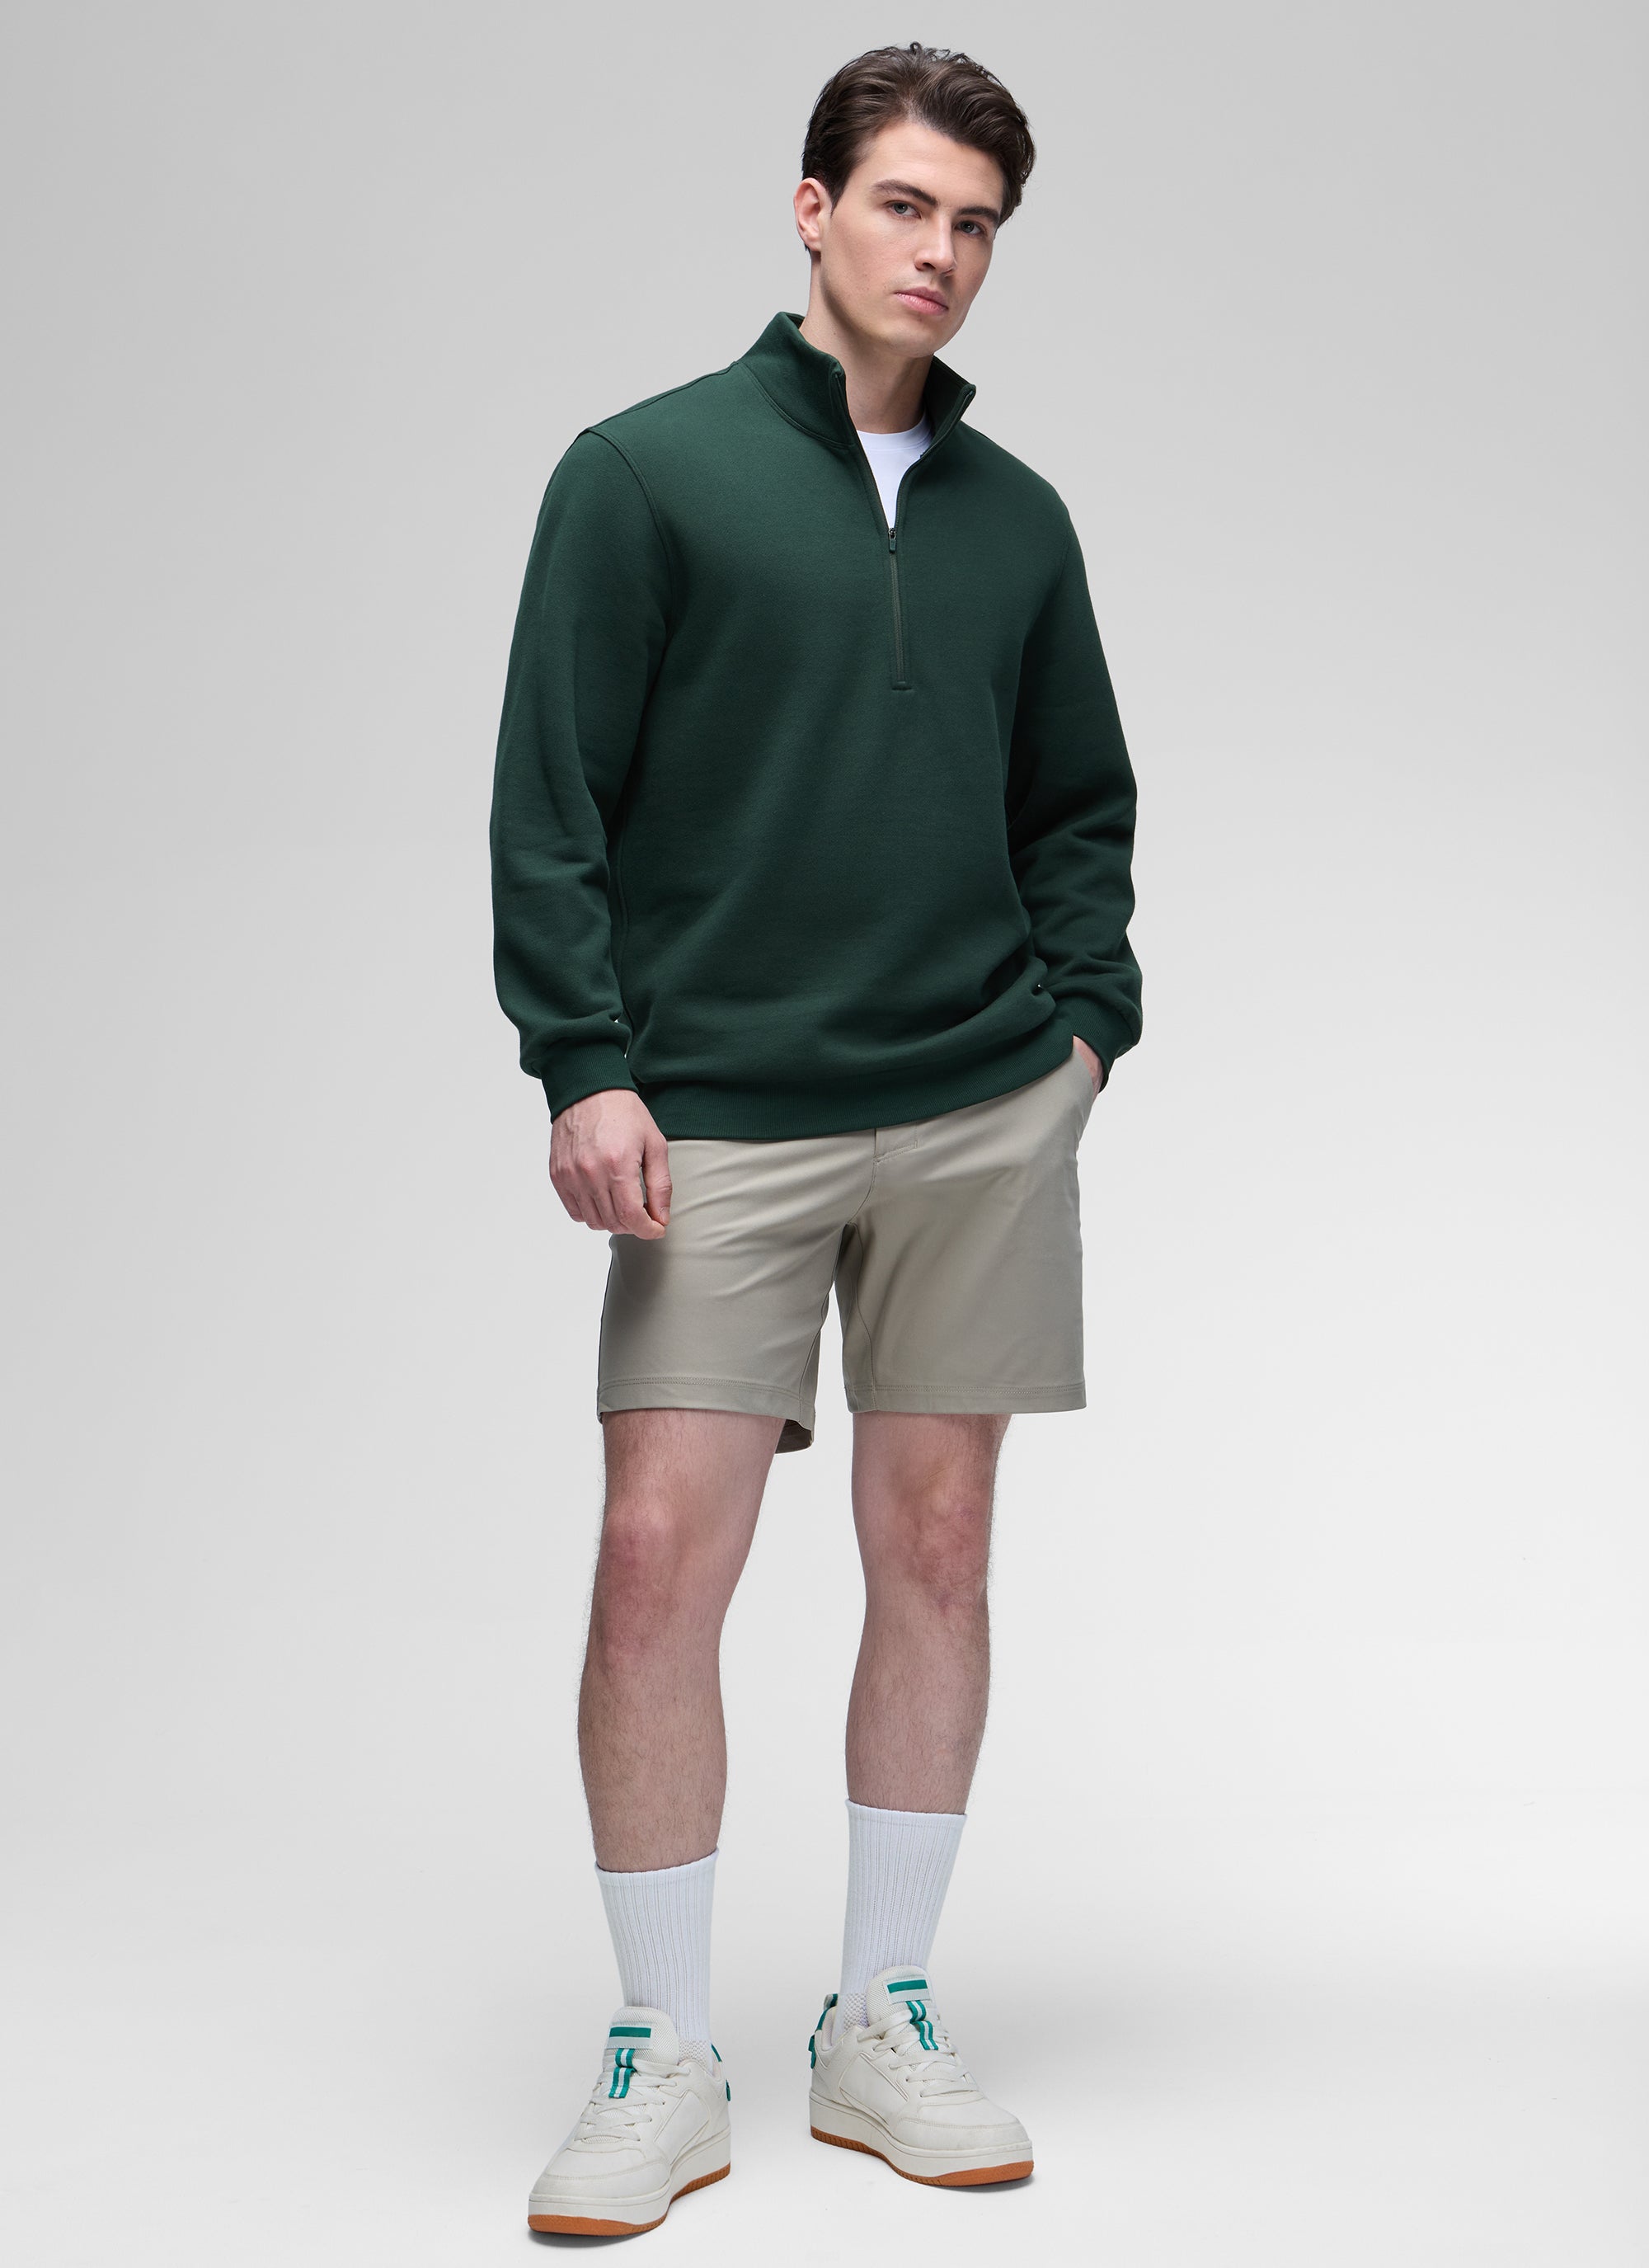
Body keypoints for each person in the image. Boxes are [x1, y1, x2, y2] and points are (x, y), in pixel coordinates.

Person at [490, 40, 1142, 2238]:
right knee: (654, 1556)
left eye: (975, 224)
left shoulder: (1020, 519)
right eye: (903, 204)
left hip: (979, 1108)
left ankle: (882, 2016)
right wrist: (584, 1060)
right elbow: (551, 800)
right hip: (721, 1120)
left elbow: (1079, 804)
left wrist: (1084, 1038)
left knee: (937, 1551)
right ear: (812, 208)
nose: (938, 252)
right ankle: (661, 2050)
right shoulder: (644, 475)